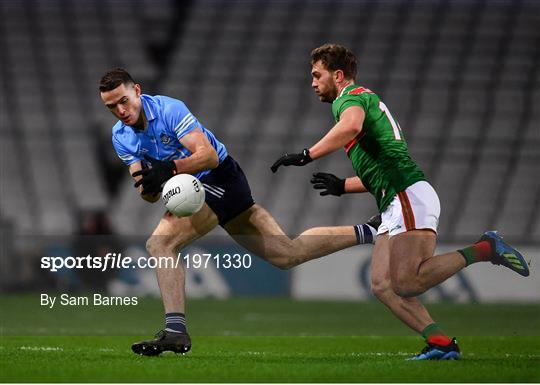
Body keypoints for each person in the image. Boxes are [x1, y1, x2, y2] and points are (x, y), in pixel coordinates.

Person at [271, 43, 530, 360]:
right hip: (395, 199)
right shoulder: (364, 100)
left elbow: (350, 126)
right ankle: (441, 344)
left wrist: (306, 155)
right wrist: (342, 186)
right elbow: (379, 168)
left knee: (407, 283)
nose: (312, 82)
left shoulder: (348, 99)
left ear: (338, 75)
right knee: (382, 285)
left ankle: (485, 249)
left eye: (316, 75)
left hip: (406, 195)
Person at [99, 68, 380, 356]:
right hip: (195, 186)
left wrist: (170, 169)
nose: (120, 111)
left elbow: (207, 155)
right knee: (286, 254)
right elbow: (145, 194)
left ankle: (175, 332)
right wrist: (151, 184)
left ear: (137, 91)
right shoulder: (121, 136)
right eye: (111, 107)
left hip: (220, 177)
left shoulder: (169, 109)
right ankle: (370, 231)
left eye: (124, 101)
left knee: (160, 244)